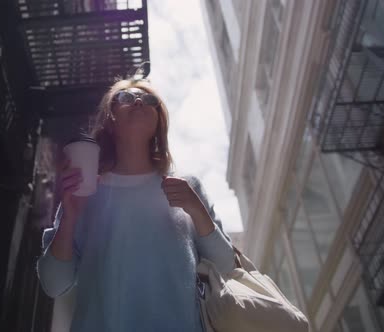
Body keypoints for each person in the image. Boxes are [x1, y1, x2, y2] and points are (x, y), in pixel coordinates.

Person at [36, 77, 235, 331]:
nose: (139, 100)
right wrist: (69, 218)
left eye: (149, 100)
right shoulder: (84, 191)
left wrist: (196, 209)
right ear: (110, 119)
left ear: (158, 120)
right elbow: (53, 284)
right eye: (126, 97)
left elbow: (227, 266)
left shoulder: (187, 188)